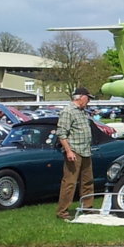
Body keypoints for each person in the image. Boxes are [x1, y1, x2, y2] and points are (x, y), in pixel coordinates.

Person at [55, 86, 96, 219]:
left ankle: (87, 207)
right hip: (74, 151)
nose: (88, 101)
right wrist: (68, 151)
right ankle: (62, 211)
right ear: (81, 97)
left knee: (87, 181)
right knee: (69, 183)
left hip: (86, 151)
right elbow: (62, 134)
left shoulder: (83, 112)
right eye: (88, 98)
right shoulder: (68, 111)